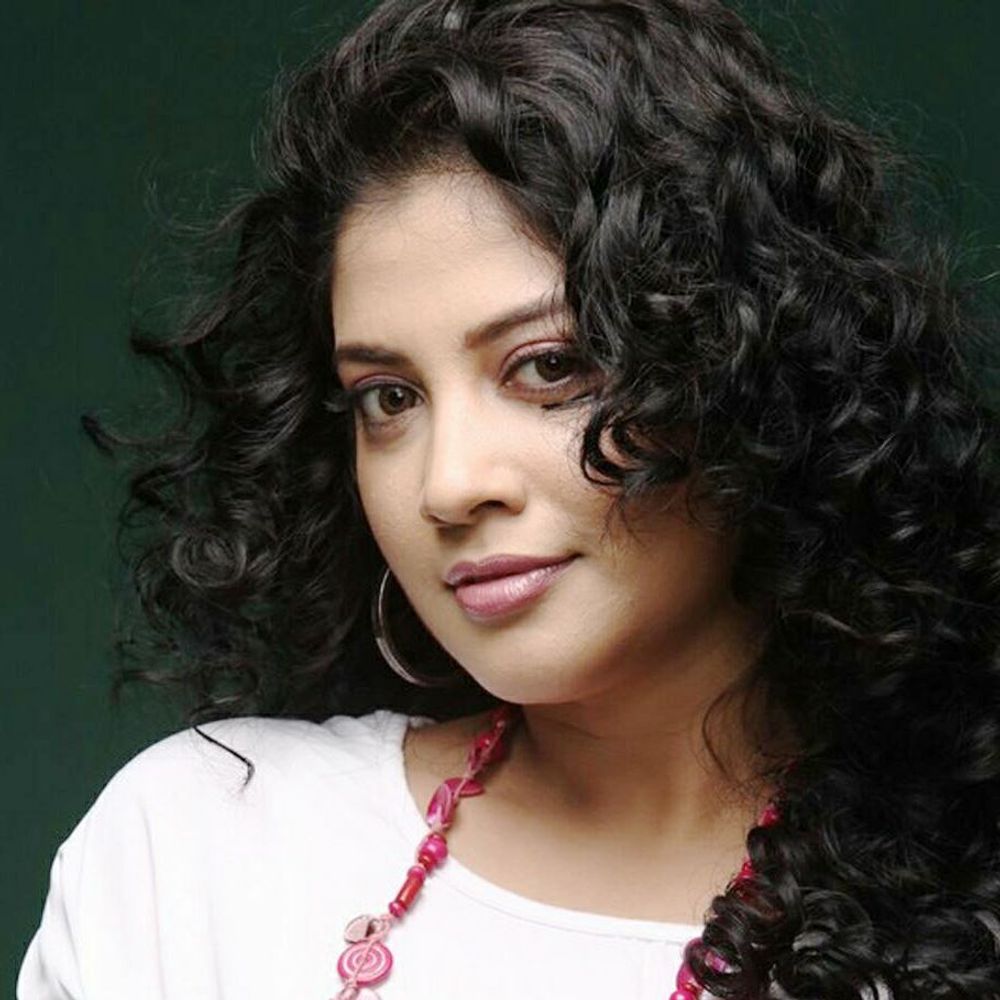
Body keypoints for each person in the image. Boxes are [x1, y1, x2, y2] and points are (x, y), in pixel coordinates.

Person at [17, 0, 1000, 997]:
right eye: (389, 397)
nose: (447, 484)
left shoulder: (961, 921)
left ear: (747, 368)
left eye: (548, 366)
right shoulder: (195, 852)